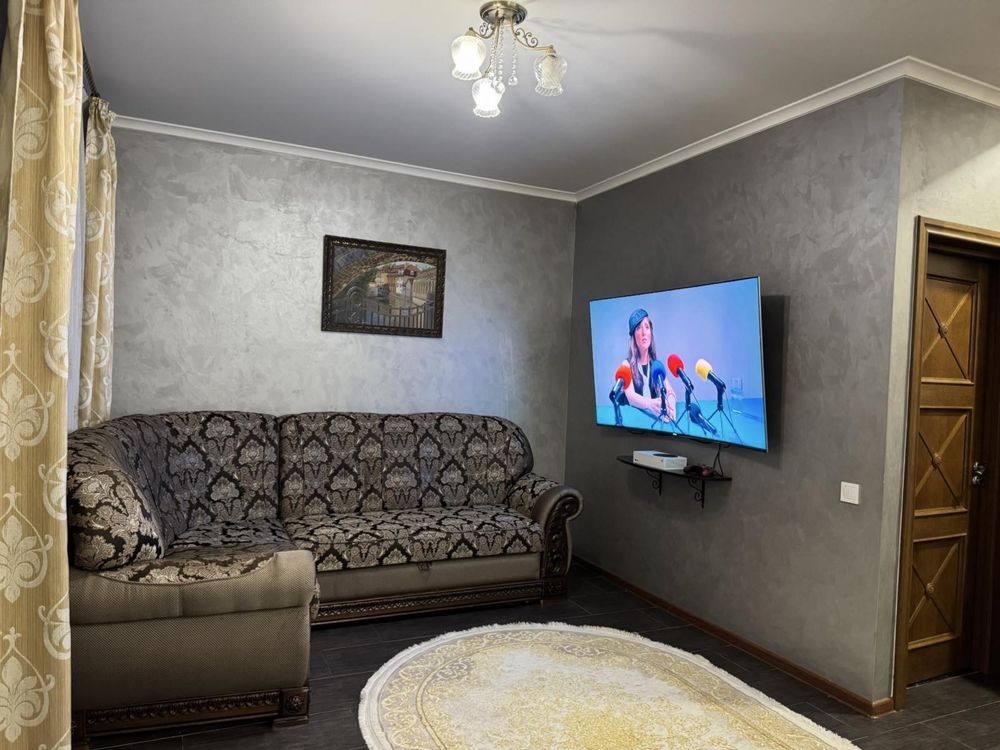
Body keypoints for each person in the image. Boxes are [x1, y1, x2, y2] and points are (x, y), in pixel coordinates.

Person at [619, 308, 676, 421]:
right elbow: (630, 397)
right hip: (632, 422)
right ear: (633, 336)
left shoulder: (655, 366)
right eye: (638, 328)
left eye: (647, 327)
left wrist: (671, 407)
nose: (644, 333)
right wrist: (650, 404)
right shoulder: (626, 365)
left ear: (651, 333)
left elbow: (670, 392)